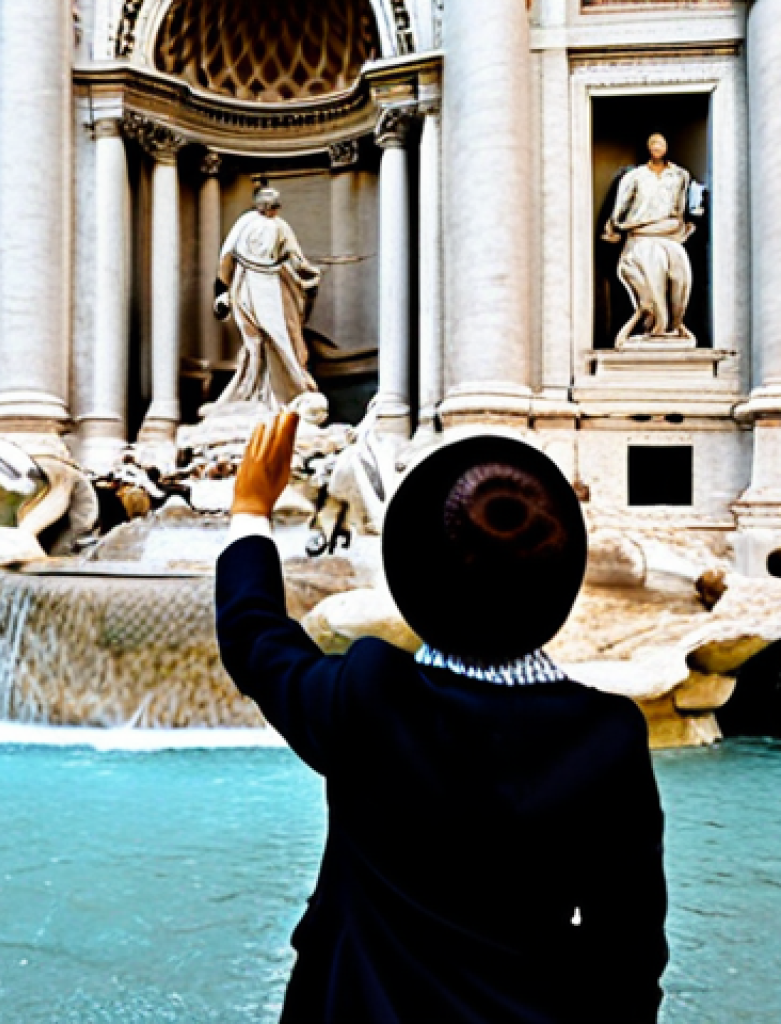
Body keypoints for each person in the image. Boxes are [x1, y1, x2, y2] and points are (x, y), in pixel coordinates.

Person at [216, 411, 668, 1023]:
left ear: (412, 571)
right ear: (561, 583)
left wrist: (250, 510)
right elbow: (628, 950)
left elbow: (255, 639)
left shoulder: (370, 693)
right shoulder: (608, 738)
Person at [210, 186, 321, 411]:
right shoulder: (271, 225)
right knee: (271, 340)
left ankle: (274, 394)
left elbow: (227, 257)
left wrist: (227, 284)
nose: (273, 210)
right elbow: (297, 260)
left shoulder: (252, 223)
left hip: (252, 286)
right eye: (272, 206)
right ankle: (265, 393)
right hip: (262, 287)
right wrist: (311, 273)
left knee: (269, 340)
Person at [602, 133, 696, 348]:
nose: (657, 147)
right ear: (648, 148)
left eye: (661, 143)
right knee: (652, 279)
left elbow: (681, 207)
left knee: (680, 279)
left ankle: (674, 326)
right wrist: (620, 226)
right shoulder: (634, 176)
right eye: (653, 143)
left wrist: (678, 226)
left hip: (670, 234)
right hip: (641, 237)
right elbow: (620, 210)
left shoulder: (680, 175)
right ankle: (655, 328)